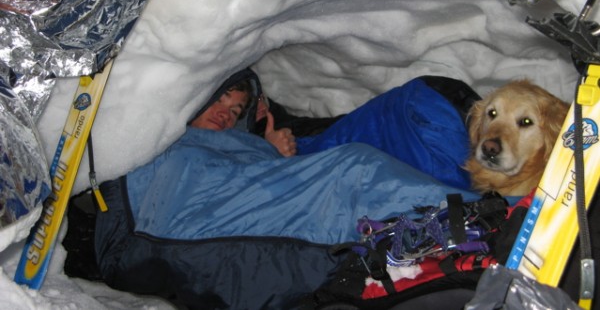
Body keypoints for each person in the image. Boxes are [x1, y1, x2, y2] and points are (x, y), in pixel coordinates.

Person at [63, 68, 481, 310]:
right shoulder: (157, 140)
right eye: (219, 102)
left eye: (236, 111)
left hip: (228, 210)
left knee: (361, 164)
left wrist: (266, 153)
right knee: (351, 177)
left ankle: (481, 223)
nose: (226, 116)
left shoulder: (250, 144)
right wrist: (267, 156)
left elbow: (268, 189)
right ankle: (483, 228)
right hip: (151, 220)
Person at [251, 74, 481, 190]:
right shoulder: (245, 150)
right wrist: (269, 154)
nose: (260, 105)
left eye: (260, 97)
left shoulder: (282, 124)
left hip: (420, 111)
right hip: (424, 118)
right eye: (239, 109)